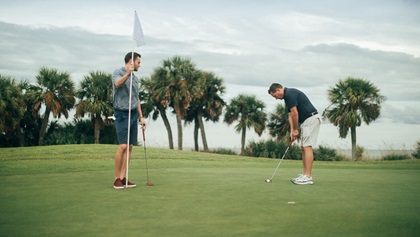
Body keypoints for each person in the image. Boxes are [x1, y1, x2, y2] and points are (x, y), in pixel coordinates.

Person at [268, 83, 321, 185]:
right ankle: (305, 174)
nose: (276, 99)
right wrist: (293, 131)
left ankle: (308, 177)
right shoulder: (287, 98)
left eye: (275, 96)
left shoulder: (290, 94)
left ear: (278, 90)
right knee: (303, 147)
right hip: (307, 121)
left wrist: (296, 129)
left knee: (307, 147)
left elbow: (295, 113)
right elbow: (290, 115)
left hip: (311, 119)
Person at [112, 52, 146, 189]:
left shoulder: (136, 79)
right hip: (121, 114)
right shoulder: (118, 72)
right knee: (123, 146)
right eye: (138, 62)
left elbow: (136, 98)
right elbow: (117, 84)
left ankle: (123, 177)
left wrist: (141, 117)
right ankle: (116, 179)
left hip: (133, 115)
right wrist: (128, 74)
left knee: (130, 147)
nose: (139, 65)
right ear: (131, 62)